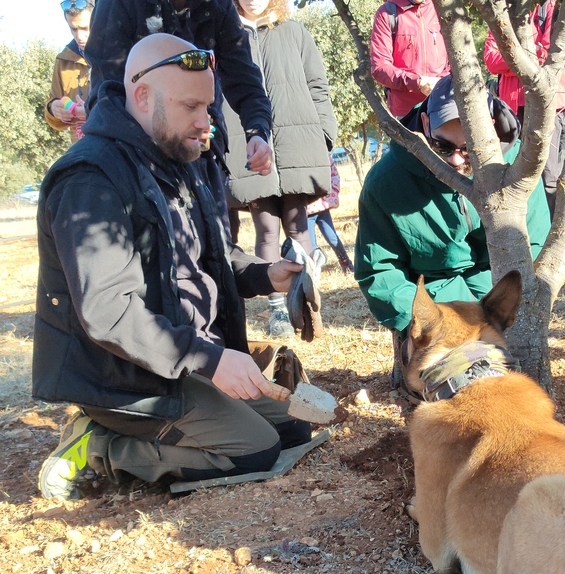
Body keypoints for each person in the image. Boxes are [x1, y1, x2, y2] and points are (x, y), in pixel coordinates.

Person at [33, 34, 311, 501]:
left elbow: (205, 258)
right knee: (254, 453)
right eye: (191, 107)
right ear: (142, 96)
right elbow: (110, 314)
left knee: (295, 428)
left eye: (209, 107)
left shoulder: (180, 153)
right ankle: (99, 445)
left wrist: (266, 274)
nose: (206, 124)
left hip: (185, 358)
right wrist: (211, 360)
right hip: (122, 374)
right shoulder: (90, 178)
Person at [354, 75, 550, 386]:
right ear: (424, 123)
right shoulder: (386, 181)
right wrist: (430, 322)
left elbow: (533, 241)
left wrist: (490, 309)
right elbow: (379, 271)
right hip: (432, 302)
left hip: (494, 294)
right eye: (441, 146)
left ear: (492, 130)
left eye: (469, 148)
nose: (456, 160)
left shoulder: (518, 167)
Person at [222, 0, 336, 339]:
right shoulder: (226, 33)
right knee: (267, 229)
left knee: (298, 224)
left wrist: (325, 135)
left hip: (297, 142)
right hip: (250, 148)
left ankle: (307, 302)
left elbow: (318, 85)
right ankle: (278, 312)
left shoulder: (294, 30)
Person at [84, 0, 275, 178]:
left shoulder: (219, 5)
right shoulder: (117, 4)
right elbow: (105, 92)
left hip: (202, 152)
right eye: (191, 106)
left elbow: (245, 79)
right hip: (135, 154)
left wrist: (258, 133)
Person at [483, 0, 565, 219]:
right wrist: (525, 56)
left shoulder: (551, 6)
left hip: (548, 102)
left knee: (549, 176)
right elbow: (490, 60)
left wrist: (512, 55)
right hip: (511, 105)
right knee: (513, 173)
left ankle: (548, 238)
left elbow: (548, 54)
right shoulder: (500, 9)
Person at [370, 0, 449, 119]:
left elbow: (454, 60)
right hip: (406, 114)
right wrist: (417, 83)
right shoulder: (387, 13)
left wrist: (441, 84)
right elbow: (380, 67)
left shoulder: (442, 9)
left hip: (444, 107)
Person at [45, 0, 93, 143]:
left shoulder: (118, 53)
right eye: (73, 29)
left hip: (117, 150)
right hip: (81, 150)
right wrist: (53, 109)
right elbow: (53, 101)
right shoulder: (63, 60)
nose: (79, 36)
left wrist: (92, 112)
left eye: (85, 28)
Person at [307, 156, 354, 273]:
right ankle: (313, 270)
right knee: (310, 244)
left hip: (321, 206)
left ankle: (346, 263)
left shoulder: (324, 156)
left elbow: (334, 175)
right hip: (306, 211)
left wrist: (330, 195)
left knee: (332, 238)